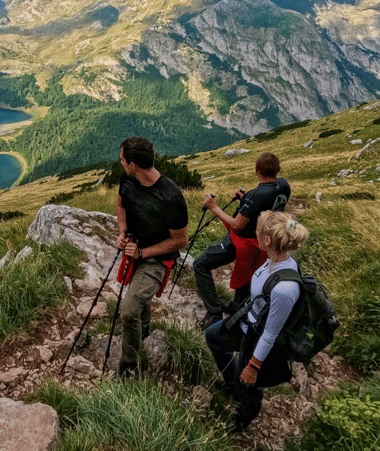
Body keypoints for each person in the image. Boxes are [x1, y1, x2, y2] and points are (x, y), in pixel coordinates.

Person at [204, 211, 310, 431]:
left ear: (267, 240)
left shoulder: (285, 288)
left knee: (250, 384)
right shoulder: (275, 260)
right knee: (213, 336)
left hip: (257, 337)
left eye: (258, 231)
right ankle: (234, 385)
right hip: (248, 321)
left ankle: (243, 418)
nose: (255, 234)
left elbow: (270, 333)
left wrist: (253, 366)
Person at [115, 137, 188, 377]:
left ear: (133, 164)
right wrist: (123, 232)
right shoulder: (127, 179)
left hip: (157, 260)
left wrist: (143, 252)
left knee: (128, 311)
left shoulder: (171, 197)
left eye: (123, 159)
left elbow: (180, 241)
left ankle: (129, 366)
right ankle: (143, 332)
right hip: (135, 250)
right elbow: (121, 206)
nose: (121, 162)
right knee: (138, 301)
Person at [193, 152, 291, 328]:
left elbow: (237, 225)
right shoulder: (283, 185)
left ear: (256, 169)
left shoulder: (256, 195)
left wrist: (214, 207)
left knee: (200, 264)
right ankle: (237, 308)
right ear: (279, 169)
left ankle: (214, 314)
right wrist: (244, 200)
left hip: (244, 242)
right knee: (248, 276)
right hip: (263, 242)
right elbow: (263, 204)